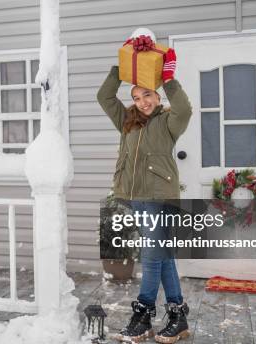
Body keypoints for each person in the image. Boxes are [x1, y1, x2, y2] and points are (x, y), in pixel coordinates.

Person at [97, 47, 192, 343]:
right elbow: (104, 97)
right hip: (135, 197)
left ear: (158, 95)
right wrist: (121, 71)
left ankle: (143, 315)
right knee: (161, 256)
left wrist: (167, 79)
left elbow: (185, 108)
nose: (142, 102)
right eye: (137, 97)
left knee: (152, 256)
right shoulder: (127, 120)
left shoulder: (168, 122)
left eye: (148, 95)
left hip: (159, 197)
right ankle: (178, 318)